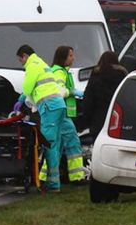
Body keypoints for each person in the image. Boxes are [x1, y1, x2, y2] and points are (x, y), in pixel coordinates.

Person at [14, 44, 85, 190]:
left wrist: (21, 100)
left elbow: (27, 88)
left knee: (49, 144)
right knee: (57, 143)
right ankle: (50, 179)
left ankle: (52, 183)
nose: (21, 63)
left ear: (24, 56)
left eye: (20, 60)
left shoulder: (32, 65)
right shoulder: (41, 63)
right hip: (59, 107)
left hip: (49, 107)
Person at [79, 51, 128, 139]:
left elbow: (88, 102)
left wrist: (86, 120)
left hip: (97, 122)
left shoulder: (96, 76)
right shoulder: (123, 77)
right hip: (117, 122)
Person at [50, 45, 83, 123]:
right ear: (63, 57)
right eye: (70, 56)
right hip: (62, 111)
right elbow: (60, 91)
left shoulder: (63, 71)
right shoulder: (59, 72)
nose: (73, 58)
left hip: (63, 111)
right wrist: (72, 92)